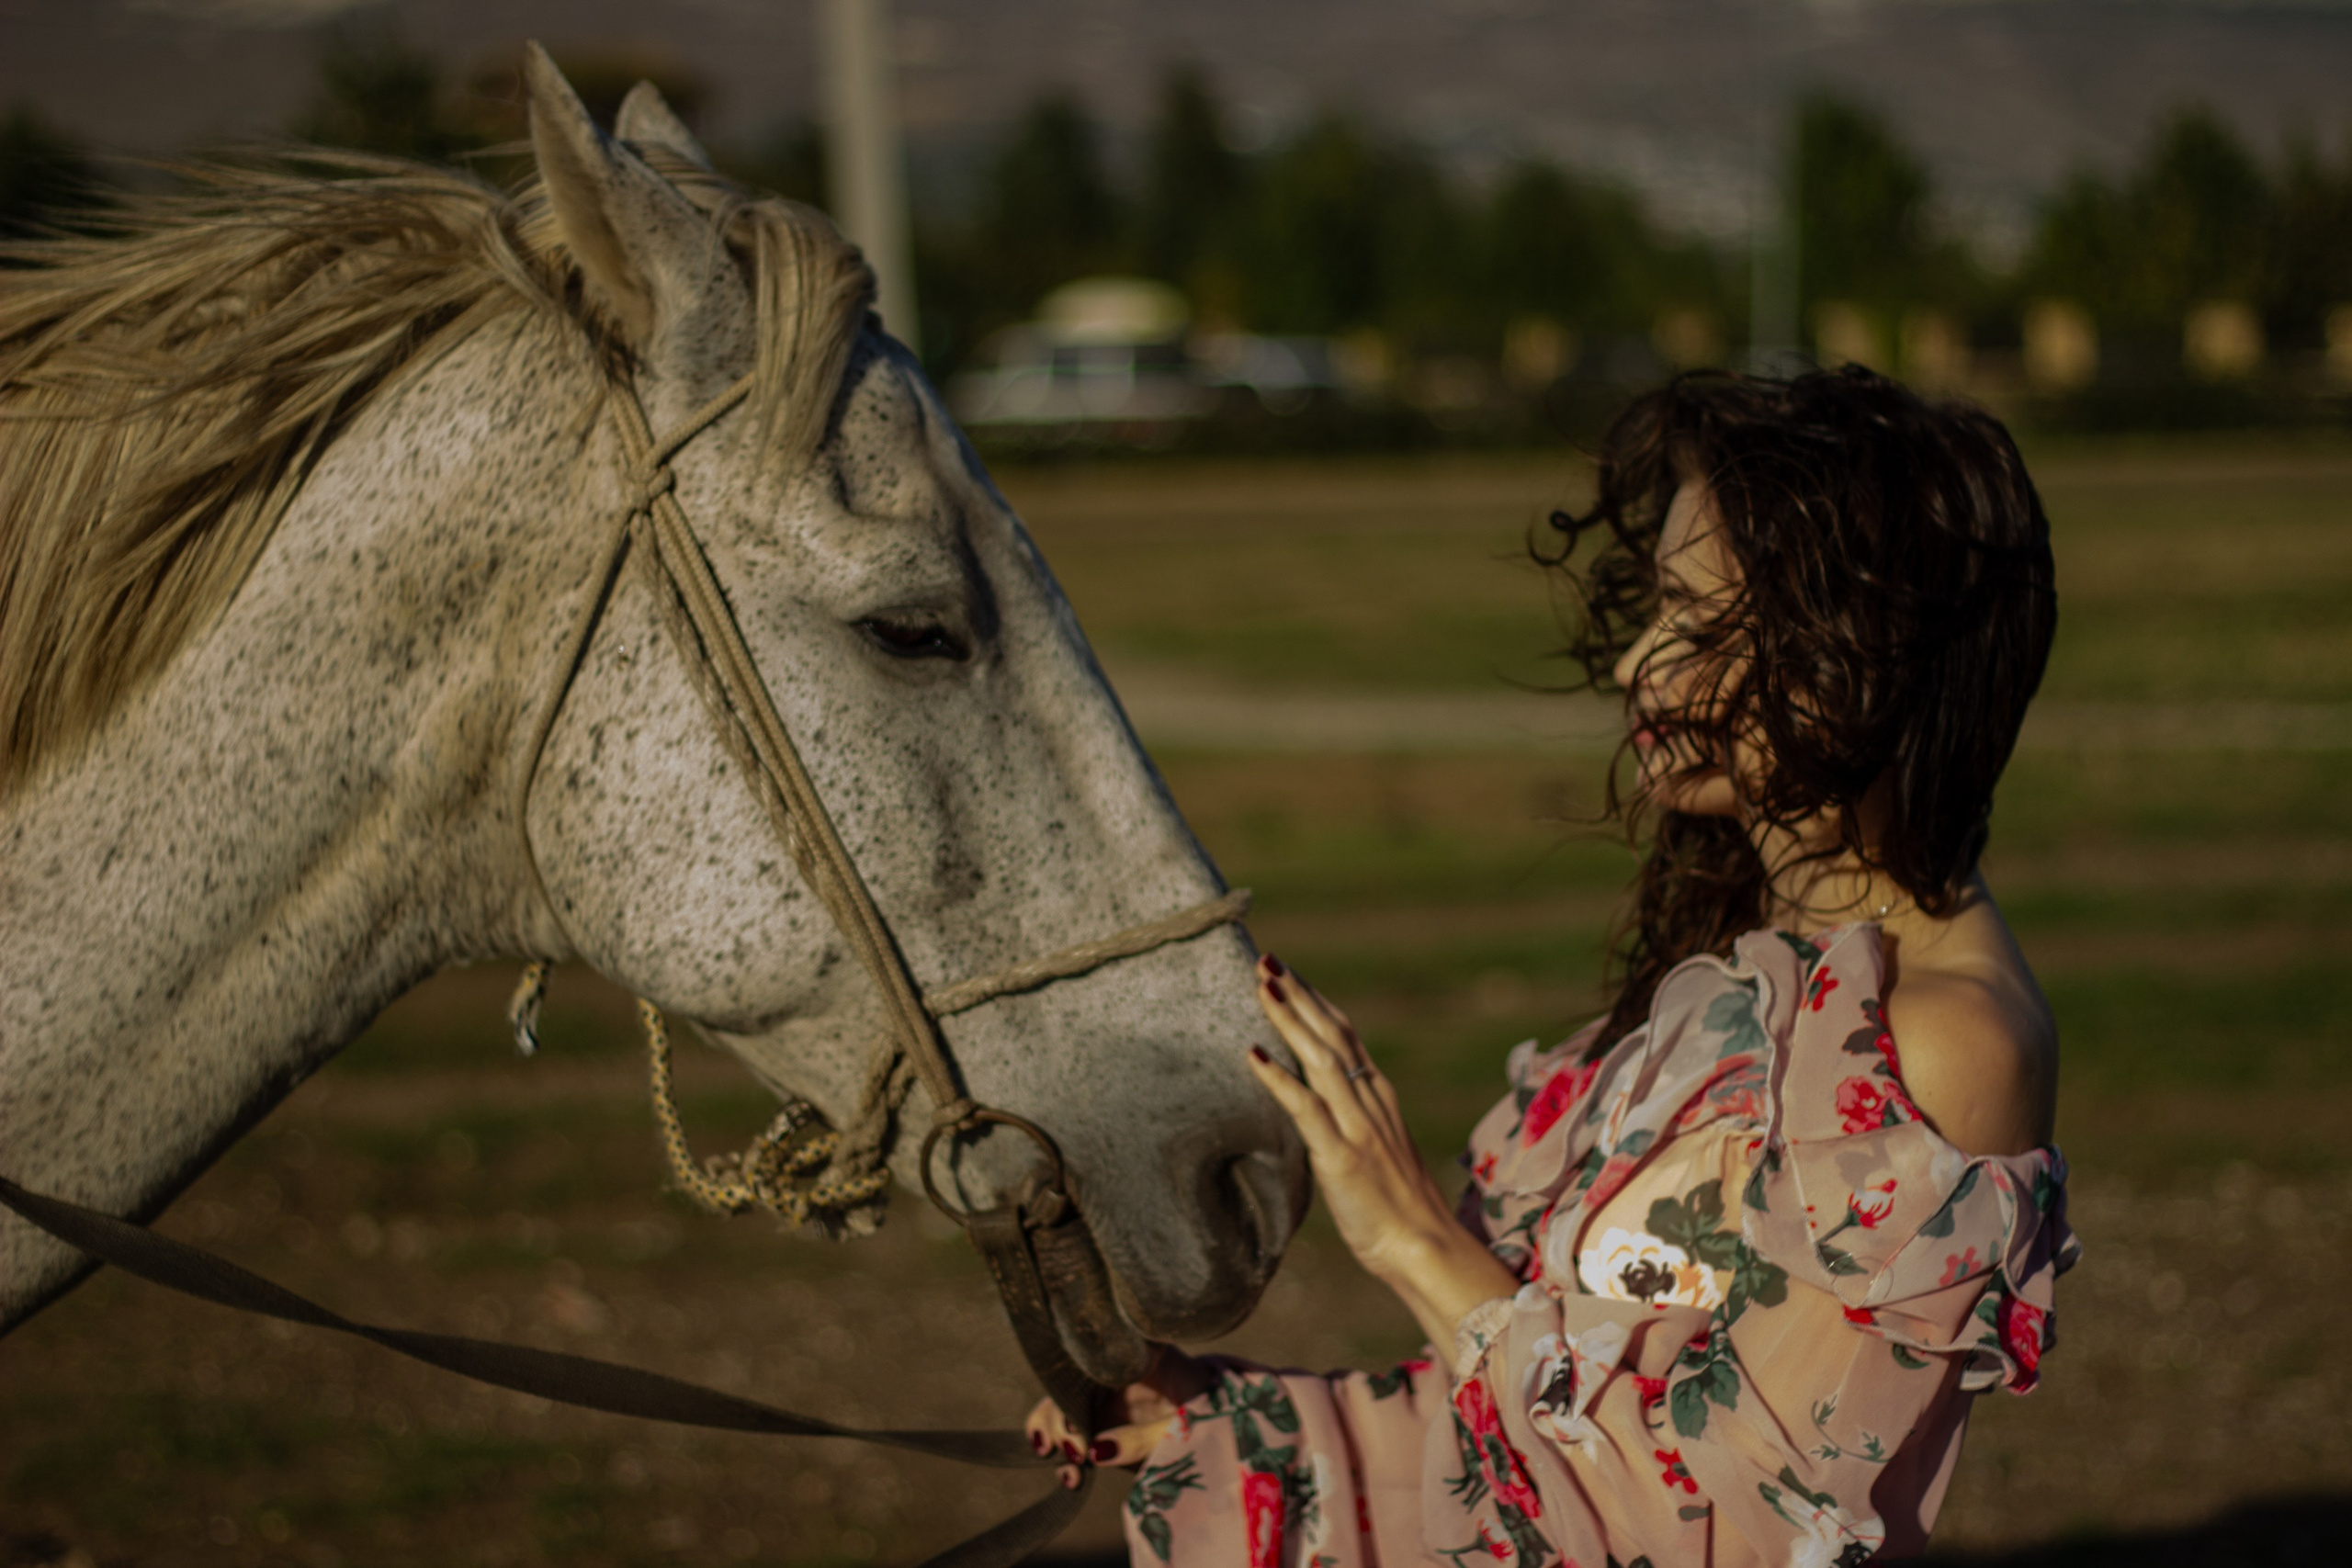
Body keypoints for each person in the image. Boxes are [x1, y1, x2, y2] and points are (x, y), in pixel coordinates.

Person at [1030, 367, 2079, 1567]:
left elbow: (1739, 1535)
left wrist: (1421, 1242)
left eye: (1695, 617)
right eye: (1653, 610)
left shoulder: (1942, 1044)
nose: (1640, 663)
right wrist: (1211, 1420)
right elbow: (1508, 1427)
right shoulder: (1745, 968)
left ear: (1848, 651)